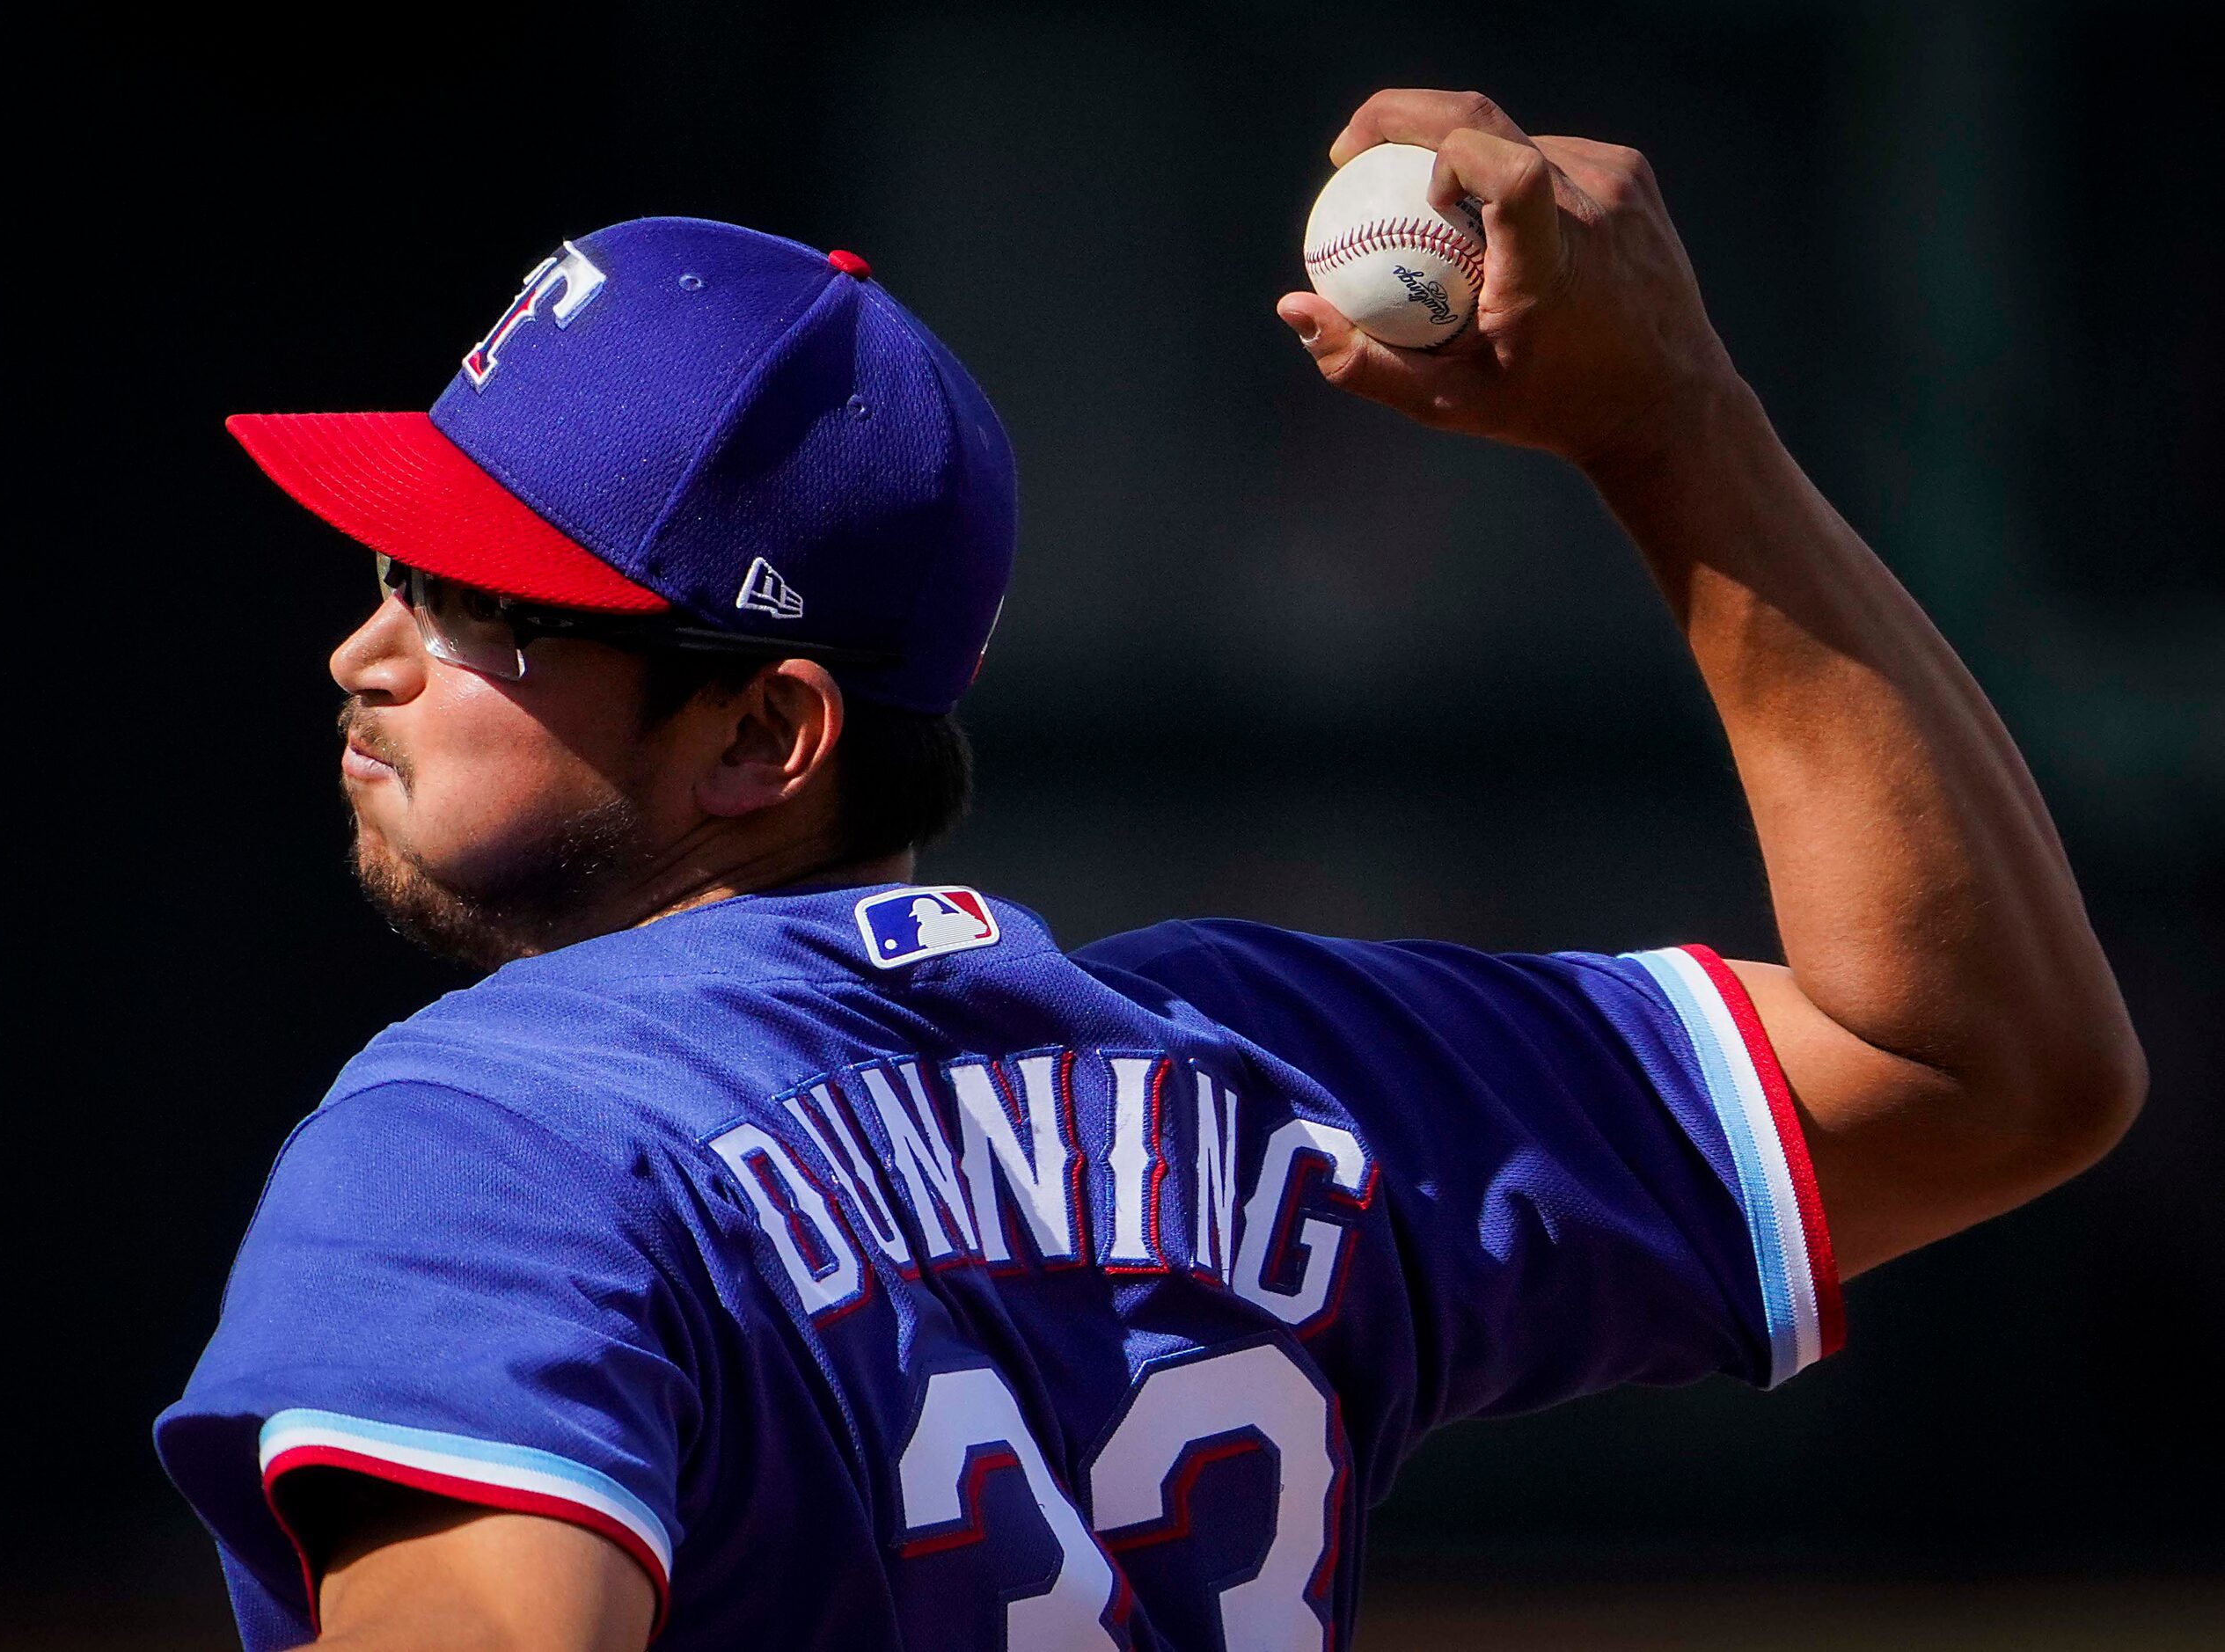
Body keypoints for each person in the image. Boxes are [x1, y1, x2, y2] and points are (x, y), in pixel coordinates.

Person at [155, 88, 2145, 1652]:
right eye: (399, 565)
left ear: (765, 736)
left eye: (489, 605)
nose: (370, 646)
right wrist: (1676, 431)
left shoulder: (495, 1134)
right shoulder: (1271, 1072)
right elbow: (1991, 1070)